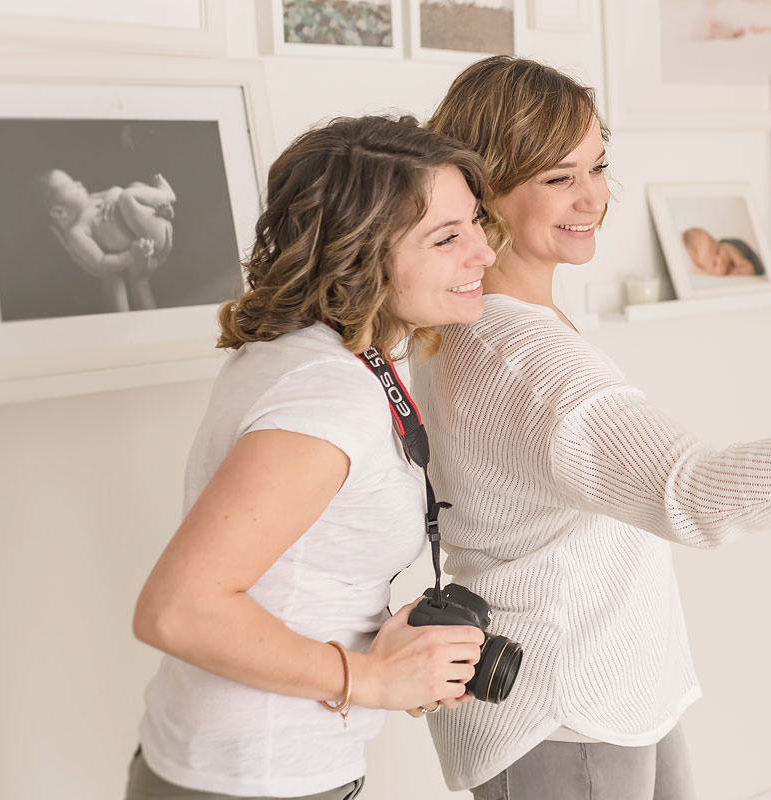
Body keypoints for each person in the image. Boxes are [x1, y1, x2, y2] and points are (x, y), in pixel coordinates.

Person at [417, 56, 771, 799]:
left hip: (606, 690)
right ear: (485, 188)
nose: (592, 197)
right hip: (565, 716)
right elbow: (694, 493)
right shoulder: (526, 359)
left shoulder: (477, 320)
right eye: (560, 178)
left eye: (598, 166)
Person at [126, 115, 497, 800]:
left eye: (475, 222)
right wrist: (373, 680)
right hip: (256, 775)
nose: (482, 253)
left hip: (246, 762)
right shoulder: (328, 397)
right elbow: (176, 610)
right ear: (359, 255)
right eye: (447, 237)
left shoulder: (322, 351)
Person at [39, 169, 176, 311]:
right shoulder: (77, 231)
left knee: (133, 187)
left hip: (152, 225)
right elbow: (101, 262)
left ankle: (160, 207)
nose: (78, 183)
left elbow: (115, 189)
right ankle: (167, 195)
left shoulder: (92, 198)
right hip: (146, 241)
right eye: (71, 186)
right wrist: (131, 255)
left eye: (74, 180)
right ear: (59, 212)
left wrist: (112, 195)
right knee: (127, 196)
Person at [680, 226, 764, 276]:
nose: (720, 260)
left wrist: (733, 273)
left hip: (741, 249)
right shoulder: (701, 268)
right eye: (714, 264)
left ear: (716, 242)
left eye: (717, 251)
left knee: (760, 269)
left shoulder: (728, 248)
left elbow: (749, 268)